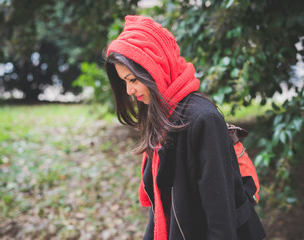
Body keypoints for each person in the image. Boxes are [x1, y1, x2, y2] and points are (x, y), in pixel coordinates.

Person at [104, 15, 266, 240]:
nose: (129, 91)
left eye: (132, 79)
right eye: (125, 82)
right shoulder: (162, 115)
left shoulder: (202, 119)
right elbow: (161, 205)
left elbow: (220, 215)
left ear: (154, 69)